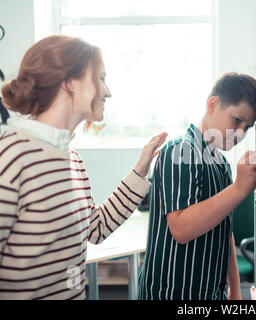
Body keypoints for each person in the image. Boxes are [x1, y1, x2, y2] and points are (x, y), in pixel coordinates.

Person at [0, 35, 167, 299]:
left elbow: (96, 228)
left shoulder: (72, 159)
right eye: (100, 78)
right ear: (69, 83)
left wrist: (140, 171)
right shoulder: (10, 155)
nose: (108, 91)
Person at [138, 72, 256, 300]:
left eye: (247, 127)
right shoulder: (179, 152)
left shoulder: (222, 165)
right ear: (213, 105)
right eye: (236, 120)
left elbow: (226, 232)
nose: (240, 134)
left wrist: (235, 290)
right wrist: (238, 188)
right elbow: (181, 229)